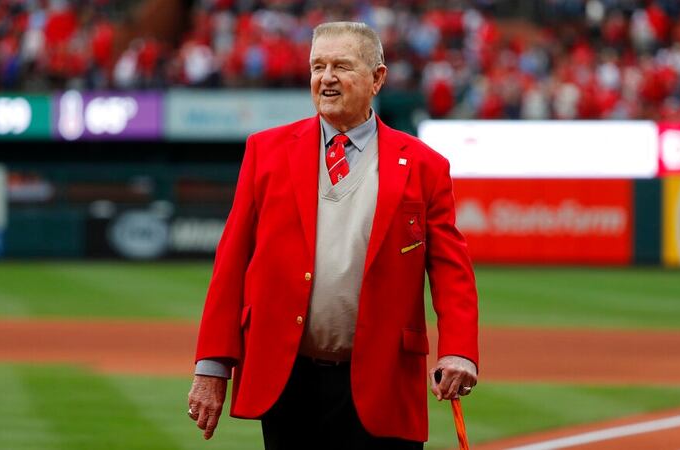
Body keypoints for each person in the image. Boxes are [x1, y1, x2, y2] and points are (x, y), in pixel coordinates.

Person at [187, 21, 479, 450]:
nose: (326, 78)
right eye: (317, 66)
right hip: (289, 381)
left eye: (342, 66)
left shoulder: (424, 165)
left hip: (384, 379)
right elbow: (231, 263)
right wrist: (212, 365)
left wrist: (458, 351)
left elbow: (452, 270)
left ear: (377, 78)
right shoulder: (265, 152)